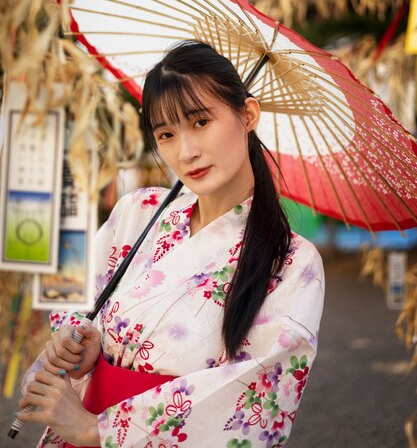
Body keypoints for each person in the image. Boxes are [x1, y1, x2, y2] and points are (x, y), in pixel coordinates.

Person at [18, 40, 325, 448]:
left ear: (247, 114)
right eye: (166, 133)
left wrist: (100, 431)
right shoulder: (139, 212)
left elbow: (259, 393)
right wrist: (83, 340)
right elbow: (81, 299)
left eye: (200, 122)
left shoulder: (293, 262)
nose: (186, 151)